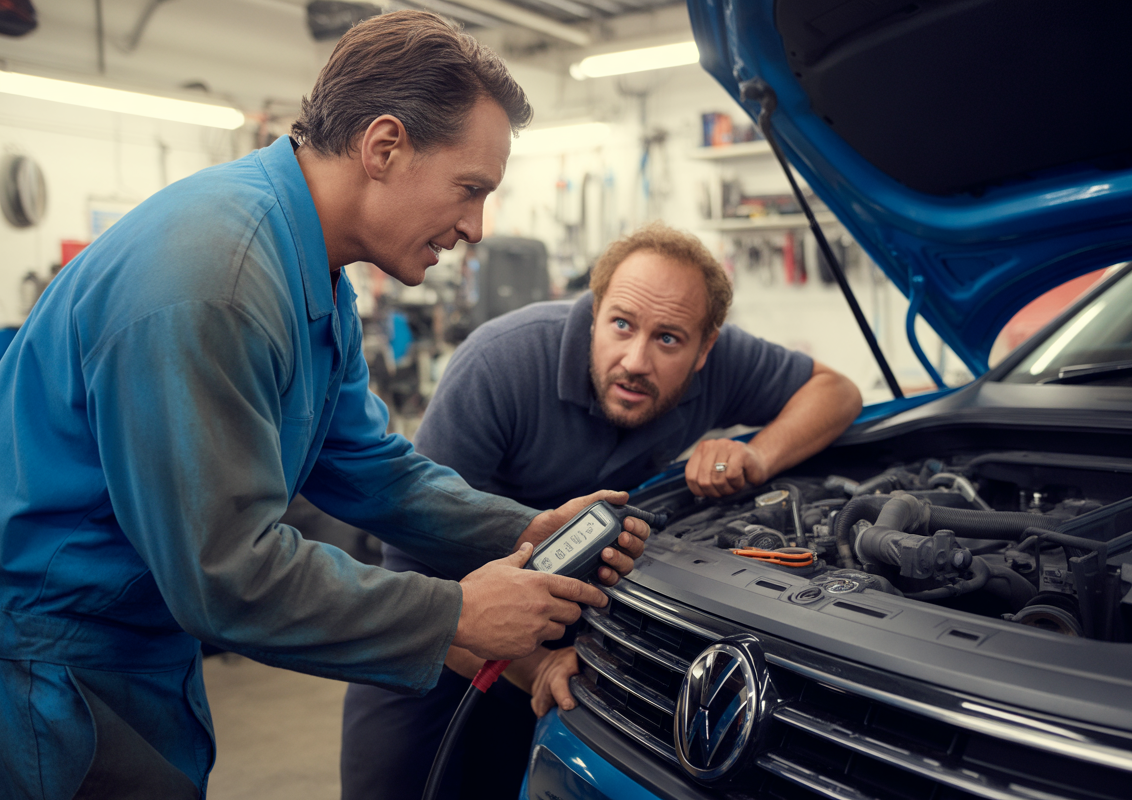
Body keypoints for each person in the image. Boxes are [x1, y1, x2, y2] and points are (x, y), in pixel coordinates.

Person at [0, 12, 649, 799]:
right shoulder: (219, 281)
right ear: (385, 147)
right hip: (48, 670)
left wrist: (525, 530)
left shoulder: (308, 266)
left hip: (129, 642)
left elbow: (371, 468)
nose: (477, 227)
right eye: (470, 189)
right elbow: (226, 574)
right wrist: (453, 615)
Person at [341, 222, 863, 799]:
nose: (636, 360)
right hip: (435, 650)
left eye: (668, 340)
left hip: (571, 650)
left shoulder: (721, 362)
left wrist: (756, 454)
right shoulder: (499, 366)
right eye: (621, 325)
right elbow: (416, 563)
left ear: (704, 348)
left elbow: (836, 392)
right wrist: (534, 666)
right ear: (594, 312)